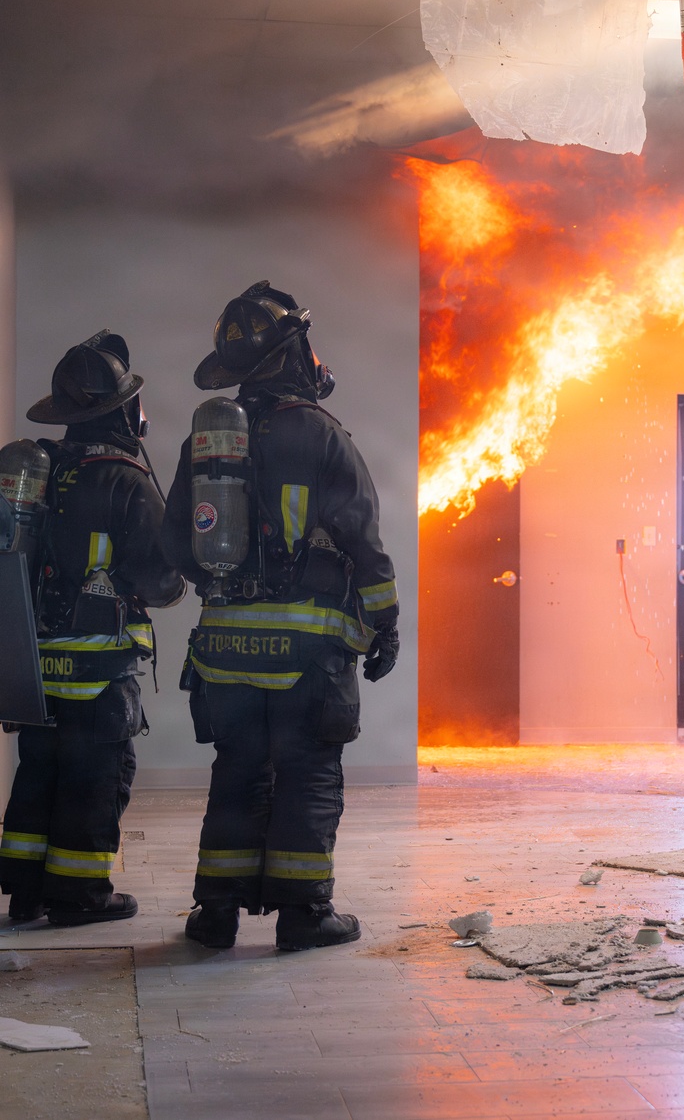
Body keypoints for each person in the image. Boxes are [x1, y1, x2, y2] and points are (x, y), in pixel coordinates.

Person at [162, 281, 399, 952]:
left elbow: (175, 543)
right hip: (306, 656)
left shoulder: (208, 443)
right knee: (305, 774)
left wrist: (231, 588)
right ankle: (302, 916)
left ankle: (216, 915)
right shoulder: (322, 436)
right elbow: (364, 544)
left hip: (225, 651)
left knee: (237, 770)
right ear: (295, 353)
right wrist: (386, 624)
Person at [0, 331, 185, 925]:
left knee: (38, 772)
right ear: (124, 410)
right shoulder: (127, 479)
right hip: (99, 669)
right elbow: (163, 580)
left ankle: (25, 891)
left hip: (34, 667)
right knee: (96, 779)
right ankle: (79, 897)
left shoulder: (38, 471)